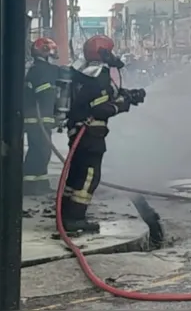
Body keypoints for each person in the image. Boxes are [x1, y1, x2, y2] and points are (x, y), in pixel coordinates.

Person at [62, 35, 146, 233]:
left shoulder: (82, 70)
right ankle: (74, 219)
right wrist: (122, 105)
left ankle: (66, 212)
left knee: (76, 173)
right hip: (90, 133)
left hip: (78, 130)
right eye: (110, 50)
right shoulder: (99, 75)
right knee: (89, 176)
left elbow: (100, 96)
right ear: (104, 52)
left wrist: (128, 95)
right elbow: (101, 108)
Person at [23, 37, 61, 195]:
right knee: (40, 150)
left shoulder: (35, 68)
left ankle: (41, 183)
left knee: (41, 150)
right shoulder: (44, 69)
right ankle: (30, 185)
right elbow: (46, 94)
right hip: (38, 118)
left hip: (37, 117)